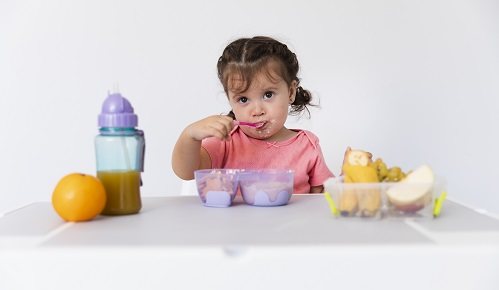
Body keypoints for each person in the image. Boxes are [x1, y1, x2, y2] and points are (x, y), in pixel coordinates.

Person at [172, 36, 333, 193]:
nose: (257, 111)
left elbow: (319, 200)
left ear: (290, 92)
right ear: (230, 101)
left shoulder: (307, 146)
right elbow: (186, 172)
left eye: (268, 95)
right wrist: (190, 136)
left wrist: (344, 185)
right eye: (243, 99)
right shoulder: (226, 141)